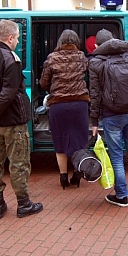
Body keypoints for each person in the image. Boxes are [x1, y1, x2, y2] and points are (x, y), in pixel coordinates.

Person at [0, 19, 43, 219]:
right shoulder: (11, 59)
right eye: (17, 38)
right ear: (10, 37)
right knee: (19, 163)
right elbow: (9, 92)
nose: (18, 43)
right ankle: (23, 204)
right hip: (13, 123)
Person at [89, 29, 128, 207]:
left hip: (111, 115)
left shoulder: (95, 62)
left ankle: (121, 195)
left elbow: (95, 94)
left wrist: (93, 121)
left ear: (97, 46)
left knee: (116, 155)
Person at [39, 29, 90, 189]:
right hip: (79, 105)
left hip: (58, 105)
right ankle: (77, 174)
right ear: (76, 42)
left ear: (60, 42)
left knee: (60, 141)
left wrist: (54, 90)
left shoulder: (52, 58)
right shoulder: (82, 57)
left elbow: (43, 82)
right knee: (79, 141)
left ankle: (63, 178)